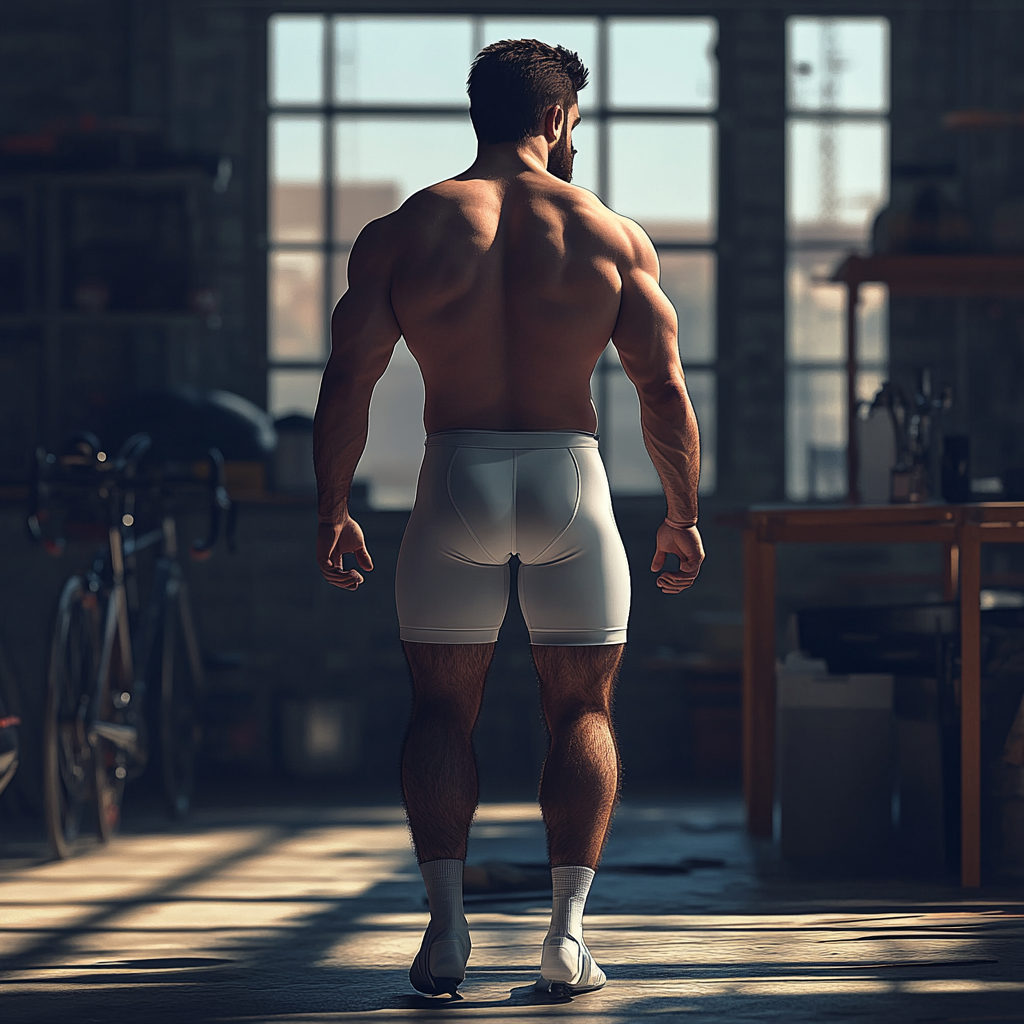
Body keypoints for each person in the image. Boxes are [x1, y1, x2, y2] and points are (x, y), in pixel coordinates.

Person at [313, 38, 704, 999]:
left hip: (456, 477)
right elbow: (662, 391)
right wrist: (683, 517)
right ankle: (566, 939)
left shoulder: (405, 231)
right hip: (570, 478)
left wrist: (331, 508)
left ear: (477, 114)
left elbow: (348, 381)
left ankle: (447, 938)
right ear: (561, 119)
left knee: (441, 709)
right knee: (582, 708)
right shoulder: (610, 234)